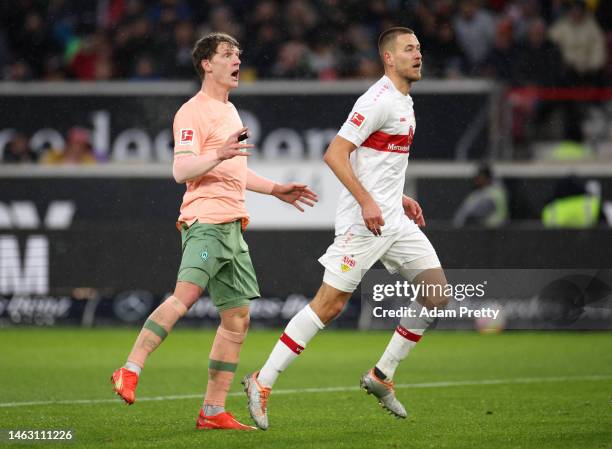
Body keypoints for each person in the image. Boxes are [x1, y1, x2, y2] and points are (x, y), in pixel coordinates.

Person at [243, 27, 448, 430]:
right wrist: (370, 201)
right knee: (329, 305)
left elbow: (377, 163)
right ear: (389, 58)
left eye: (419, 48)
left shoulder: (405, 102)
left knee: (436, 292)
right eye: (409, 49)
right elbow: (335, 154)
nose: (418, 55)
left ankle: (381, 375)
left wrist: (398, 197)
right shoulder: (376, 100)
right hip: (364, 222)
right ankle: (261, 380)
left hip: (393, 219)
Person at [110, 32, 318, 431]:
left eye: (238, 54)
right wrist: (218, 152)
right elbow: (181, 170)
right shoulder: (193, 111)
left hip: (234, 227)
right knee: (184, 297)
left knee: (237, 319)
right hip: (205, 222)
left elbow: (234, 170)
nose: (236, 60)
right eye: (227, 54)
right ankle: (130, 368)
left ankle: (212, 411)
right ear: (207, 63)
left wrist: (276, 190)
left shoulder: (231, 111)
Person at [452, 164, 508, 228]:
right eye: (476, 178)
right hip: (473, 231)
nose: (477, 180)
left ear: (488, 178)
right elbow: (462, 213)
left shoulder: (495, 193)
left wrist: (469, 220)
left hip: (492, 233)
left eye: (480, 177)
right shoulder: (475, 194)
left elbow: (483, 212)